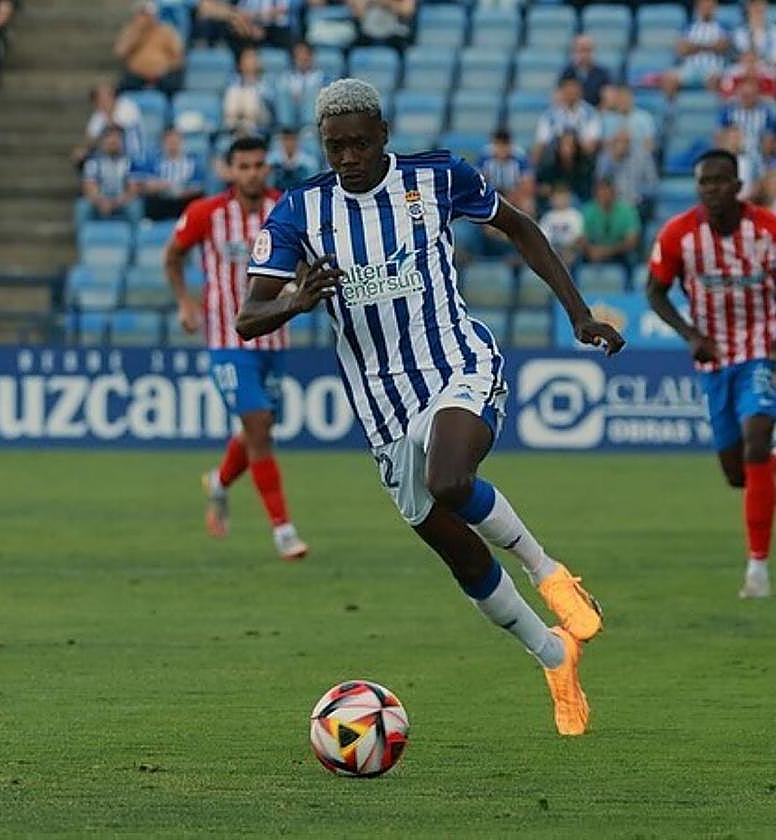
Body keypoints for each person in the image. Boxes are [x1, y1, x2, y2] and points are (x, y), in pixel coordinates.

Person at [237, 78, 624, 736]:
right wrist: (294, 304)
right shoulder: (301, 211)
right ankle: (554, 656)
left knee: (450, 478)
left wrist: (579, 313)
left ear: (383, 135)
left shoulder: (438, 177)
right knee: (460, 553)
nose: (349, 157)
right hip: (381, 403)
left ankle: (549, 571)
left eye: (360, 143)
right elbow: (250, 316)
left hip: (455, 364)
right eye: (335, 147)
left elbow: (520, 227)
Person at [164, 136, 309, 562]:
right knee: (260, 424)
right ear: (230, 170)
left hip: (275, 339)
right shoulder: (206, 214)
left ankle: (220, 482)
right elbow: (173, 256)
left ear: (268, 168)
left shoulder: (284, 210)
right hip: (228, 341)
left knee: (255, 431)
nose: (252, 173)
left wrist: (299, 285)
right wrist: (185, 302)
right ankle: (283, 530)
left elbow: (303, 262)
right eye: (243, 166)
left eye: (259, 165)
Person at [646, 149, 776, 600]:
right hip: (713, 357)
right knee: (738, 473)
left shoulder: (766, 230)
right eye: (704, 182)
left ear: (738, 186)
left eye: (720, 181)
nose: (712, 189)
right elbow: (655, 292)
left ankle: (757, 570)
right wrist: (689, 334)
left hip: (762, 348)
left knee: (758, 435)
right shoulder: (679, 233)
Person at [133, 127, 205, 220]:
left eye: (175, 141)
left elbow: (198, 186)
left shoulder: (193, 161)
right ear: (163, 143)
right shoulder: (154, 162)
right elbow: (145, 185)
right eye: (169, 142)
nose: (173, 145)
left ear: (181, 142)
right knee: (150, 200)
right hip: (162, 200)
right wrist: (159, 186)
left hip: (184, 199)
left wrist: (182, 191)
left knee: (197, 201)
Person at [115, 1, 184, 96]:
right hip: (137, 75)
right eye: (141, 14)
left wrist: (163, 70)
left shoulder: (167, 31)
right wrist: (137, 33)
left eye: (147, 14)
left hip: (163, 76)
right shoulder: (130, 31)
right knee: (123, 87)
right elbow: (120, 52)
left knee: (172, 84)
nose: (144, 18)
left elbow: (178, 56)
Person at [581, 178, 641, 266]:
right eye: (601, 192)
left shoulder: (628, 210)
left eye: (607, 191)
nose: (604, 195)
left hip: (619, 253)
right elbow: (582, 238)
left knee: (632, 258)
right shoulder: (587, 210)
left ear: (614, 193)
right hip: (594, 252)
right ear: (595, 194)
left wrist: (607, 251)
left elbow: (631, 242)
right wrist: (590, 250)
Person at [538, 183, 584, 268]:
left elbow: (579, 238)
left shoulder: (575, 215)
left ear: (569, 198)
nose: (560, 200)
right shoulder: (547, 217)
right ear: (551, 199)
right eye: (557, 197)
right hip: (553, 252)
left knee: (573, 257)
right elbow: (543, 238)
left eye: (563, 197)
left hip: (572, 251)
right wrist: (555, 252)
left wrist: (568, 250)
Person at [559, 34, 612, 108]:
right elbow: (558, 97)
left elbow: (608, 99)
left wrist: (595, 115)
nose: (584, 54)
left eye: (587, 50)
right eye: (580, 50)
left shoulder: (602, 73)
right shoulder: (568, 72)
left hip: (595, 114)